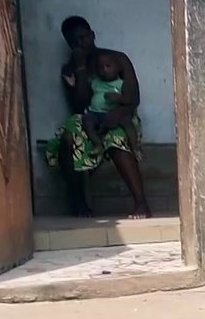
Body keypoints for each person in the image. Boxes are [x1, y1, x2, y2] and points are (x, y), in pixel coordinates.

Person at [45, 16, 151, 219]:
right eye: (75, 41)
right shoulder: (70, 69)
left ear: (92, 35)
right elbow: (78, 105)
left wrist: (116, 114)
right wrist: (81, 68)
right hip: (91, 119)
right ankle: (78, 203)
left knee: (117, 139)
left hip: (121, 115)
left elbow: (133, 98)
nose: (81, 43)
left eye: (84, 37)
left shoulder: (117, 59)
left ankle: (141, 203)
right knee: (68, 137)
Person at [81, 51, 140, 154]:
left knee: (127, 123)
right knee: (87, 121)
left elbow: (130, 100)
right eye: (100, 67)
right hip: (96, 113)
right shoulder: (95, 82)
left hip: (114, 113)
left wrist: (119, 98)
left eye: (108, 66)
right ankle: (98, 144)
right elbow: (88, 95)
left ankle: (134, 147)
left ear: (118, 68)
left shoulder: (121, 84)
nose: (104, 70)